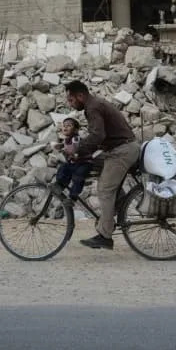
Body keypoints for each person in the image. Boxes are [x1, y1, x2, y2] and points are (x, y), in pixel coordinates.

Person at [64, 80, 140, 250]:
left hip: (122, 151)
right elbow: (99, 137)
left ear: (80, 96)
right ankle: (120, 204)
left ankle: (105, 235)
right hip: (120, 148)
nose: (70, 103)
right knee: (92, 163)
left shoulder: (92, 108)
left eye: (71, 100)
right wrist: (83, 151)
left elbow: (97, 136)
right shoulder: (94, 104)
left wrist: (77, 149)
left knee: (104, 190)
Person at [53, 118, 92, 201]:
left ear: (76, 130)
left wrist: (74, 153)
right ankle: (60, 185)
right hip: (74, 162)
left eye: (69, 126)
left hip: (84, 162)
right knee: (63, 168)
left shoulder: (76, 138)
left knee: (78, 176)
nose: (65, 128)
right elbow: (66, 146)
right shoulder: (66, 139)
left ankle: (73, 196)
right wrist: (60, 146)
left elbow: (76, 148)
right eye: (64, 126)